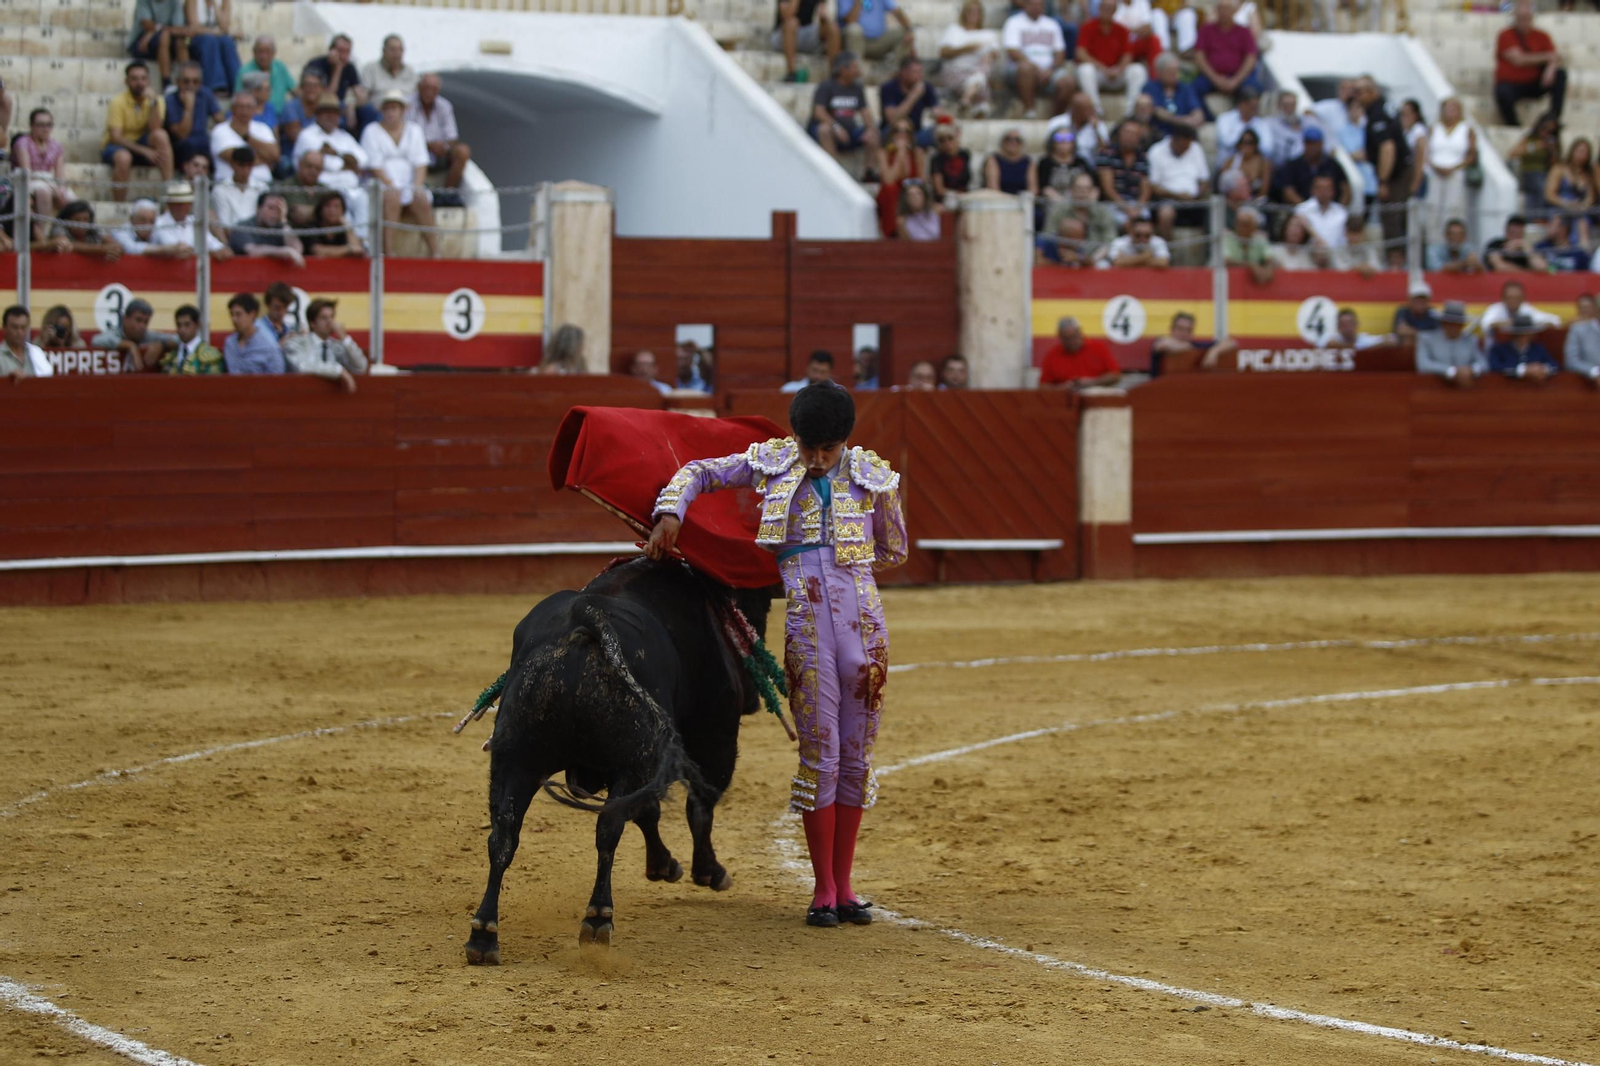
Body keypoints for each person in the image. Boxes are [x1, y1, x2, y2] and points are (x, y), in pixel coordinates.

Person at [645, 384, 907, 929]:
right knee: (821, 750)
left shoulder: (872, 475)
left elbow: (894, 547)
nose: (815, 459)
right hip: (809, 626)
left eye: (827, 450)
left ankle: (847, 885)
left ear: (844, 442)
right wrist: (670, 511)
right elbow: (697, 472)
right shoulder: (771, 463)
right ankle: (824, 889)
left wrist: (842, 569)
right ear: (795, 436)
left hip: (866, 627)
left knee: (856, 754)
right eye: (809, 446)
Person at [362, 89, 440, 258]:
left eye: (394, 108)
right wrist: (390, 184)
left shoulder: (414, 130)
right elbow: (374, 165)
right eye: (387, 108)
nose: (390, 112)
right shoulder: (371, 130)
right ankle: (389, 251)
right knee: (392, 196)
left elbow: (420, 161)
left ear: (402, 110)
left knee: (421, 199)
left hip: (410, 181)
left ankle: (435, 251)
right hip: (382, 183)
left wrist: (417, 186)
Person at [294, 95, 371, 231]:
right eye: (326, 113)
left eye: (334, 113)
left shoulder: (344, 136)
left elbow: (363, 160)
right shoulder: (307, 135)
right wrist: (347, 161)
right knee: (343, 213)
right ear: (318, 115)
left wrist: (335, 154)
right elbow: (326, 164)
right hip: (326, 188)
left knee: (364, 200)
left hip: (351, 188)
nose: (331, 116)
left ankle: (364, 245)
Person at [104, 61, 175, 203]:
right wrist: (144, 151)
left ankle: (169, 191)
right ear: (127, 81)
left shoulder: (156, 100)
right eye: (134, 79)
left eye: (143, 78)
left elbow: (155, 129)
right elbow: (116, 137)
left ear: (148, 81)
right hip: (118, 146)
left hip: (143, 142)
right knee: (124, 158)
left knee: (161, 136)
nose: (140, 83)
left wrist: (154, 102)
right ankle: (119, 205)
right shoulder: (117, 102)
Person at [1358, 76, 1411, 254]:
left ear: (1372, 92)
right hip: (1399, 171)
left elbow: (1388, 148)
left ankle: (1396, 260)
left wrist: (1383, 181)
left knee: (1391, 218)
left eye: (1360, 92)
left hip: (1395, 176)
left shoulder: (1377, 114)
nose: (1356, 96)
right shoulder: (1382, 108)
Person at [1494, 0, 1566, 128]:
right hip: (1511, 85)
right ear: (1515, 18)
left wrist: (1551, 67)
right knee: (1502, 92)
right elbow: (1519, 60)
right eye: (1521, 18)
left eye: (1527, 17)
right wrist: (1547, 57)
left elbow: (1555, 57)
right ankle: (1513, 124)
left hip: (1535, 83)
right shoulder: (1505, 35)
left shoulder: (1542, 36)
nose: (1524, 21)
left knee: (1560, 74)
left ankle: (1554, 118)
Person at [1074, 1, 1144, 119]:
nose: (1107, 11)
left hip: (1117, 72)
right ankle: (1095, 110)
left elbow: (1128, 55)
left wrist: (1118, 69)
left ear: (1115, 10)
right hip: (1098, 72)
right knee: (1085, 70)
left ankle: (1131, 112)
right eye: (1105, 8)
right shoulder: (1087, 27)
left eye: (1111, 8)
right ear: (1099, 8)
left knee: (1138, 70)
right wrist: (1103, 69)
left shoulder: (1122, 29)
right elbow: (1080, 53)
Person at [1004, 0, 1073, 119]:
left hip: (1049, 70)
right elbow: (1013, 52)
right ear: (1025, 5)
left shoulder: (1052, 24)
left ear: (1044, 7)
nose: (1036, 7)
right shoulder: (1013, 22)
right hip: (1020, 68)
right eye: (1032, 3)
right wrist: (1037, 69)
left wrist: (1050, 70)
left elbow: (1060, 53)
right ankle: (1030, 111)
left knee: (1068, 82)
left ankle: (1056, 119)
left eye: (1039, 4)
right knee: (1026, 69)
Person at [12, 108, 74, 239]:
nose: (45, 129)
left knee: (71, 199)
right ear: (32, 126)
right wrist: (53, 187)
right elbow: (26, 171)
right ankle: (41, 234)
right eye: (41, 125)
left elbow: (60, 173)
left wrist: (61, 189)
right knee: (43, 191)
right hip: (28, 180)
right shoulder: (22, 143)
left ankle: (64, 235)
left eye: (48, 125)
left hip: (48, 180)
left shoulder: (56, 145)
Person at [809, 53, 879, 164]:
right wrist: (836, 127)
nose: (857, 71)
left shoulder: (857, 88)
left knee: (874, 132)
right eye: (854, 67)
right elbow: (819, 112)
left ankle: (869, 173)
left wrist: (870, 129)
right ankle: (833, 171)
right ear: (842, 69)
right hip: (831, 130)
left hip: (849, 132)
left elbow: (865, 112)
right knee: (824, 130)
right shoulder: (827, 86)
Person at [284, 298, 367, 391]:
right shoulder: (297, 343)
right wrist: (338, 371)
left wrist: (345, 339)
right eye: (324, 318)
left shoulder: (337, 346)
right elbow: (302, 366)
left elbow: (360, 367)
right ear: (312, 323)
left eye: (331, 317)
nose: (330, 322)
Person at [1191, 0, 1260, 108]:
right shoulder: (1206, 30)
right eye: (1221, 9)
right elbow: (1199, 56)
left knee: (1253, 89)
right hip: (1211, 76)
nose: (1224, 13)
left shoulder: (1243, 32)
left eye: (1227, 10)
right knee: (1192, 89)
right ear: (1216, 11)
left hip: (1238, 76)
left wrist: (1236, 80)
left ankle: (1242, 120)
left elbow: (1251, 57)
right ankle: (1207, 118)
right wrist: (1215, 78)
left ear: (1233, 11)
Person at [304, 34, 378, 135]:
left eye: (347, 52)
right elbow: (327, 96)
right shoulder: (316, 65)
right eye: (340, 51)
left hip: (343, 106)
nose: (344, 56)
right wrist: (338, 68)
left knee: (369, 111)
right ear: (331, 50)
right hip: (323, 107)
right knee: (339, 118)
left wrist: (351, 103)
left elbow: (361, 96)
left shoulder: (349, 67)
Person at [409, 73, 472, 191]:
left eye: (434, 89)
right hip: (415, 153)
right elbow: (404, 136)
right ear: (419, 87)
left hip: (440, 155)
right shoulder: (408, 105)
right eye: (426, 87)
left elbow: (452, 137)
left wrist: (445, 147)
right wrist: (428, 145)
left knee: (463, 151)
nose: (429, 92)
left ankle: (448, 193)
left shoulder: (444, 106)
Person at [937, 0, 1000, 117]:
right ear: (964, 13)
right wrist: (967, 48)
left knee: (985, 65)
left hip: (978, 70)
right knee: (981, 84)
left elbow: (994, 53)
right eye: (970, 11)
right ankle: (977, 106)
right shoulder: (954, 30)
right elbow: (943, 52)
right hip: (955, 71)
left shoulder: (988, 34)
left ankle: (966, 100)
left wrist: (988, 56)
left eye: (977, 12)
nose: (974, 14)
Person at [1426, 97, 1476, 241]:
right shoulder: (1434, 127)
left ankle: (1454, 241)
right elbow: (1426, 152)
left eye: (1454, 108)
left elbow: (1471, 155)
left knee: (1454, 209)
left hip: (1456, 173)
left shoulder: (1466, 128)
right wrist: (1435, 166)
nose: (1450, 112)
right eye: (1447, 108)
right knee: (1433, 209)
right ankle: (1433, 241)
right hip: (1435, 173)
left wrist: (1454, 168)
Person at [1146, 126, 1209, 240]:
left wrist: (1198, 195)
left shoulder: (1195, 148)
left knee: (1215, 207)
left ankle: (1214, 252)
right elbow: (1154, 187)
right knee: (1166, 214)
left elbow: (1204, 179)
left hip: (1194, 200)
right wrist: (1178, 196)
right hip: (1168, 199)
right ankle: (1167, 252)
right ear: (1175, 139)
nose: (1186, 149)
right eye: (1184, 146)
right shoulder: (1156, 151)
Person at [161, 61, 222, 168]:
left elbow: (220, 120)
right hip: (182, 145)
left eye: (195, 82)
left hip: (203, 142)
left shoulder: (205, 94)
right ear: (178, 82)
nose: (191, 85)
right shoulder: (170, 100)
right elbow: (181, 134)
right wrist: (188, 108)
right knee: (190, 145)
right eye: (186, 81)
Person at [1269, 125, 1347, 207]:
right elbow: (1287, 191)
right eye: (1308, 143)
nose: (1311, 147)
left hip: (1331, 212)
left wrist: (1338, 209)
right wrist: (1306, 209)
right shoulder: (1293, 165)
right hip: (1302, 212)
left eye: (1314, 143)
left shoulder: (1332, 164)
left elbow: (1345, 189)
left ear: (1321, 144)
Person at [211, 92, 278, 185]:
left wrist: (246, 137)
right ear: (232, 108)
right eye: (241, 107)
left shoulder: (263, 128)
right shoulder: (220, 130)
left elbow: (275, 155)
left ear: (254, 109)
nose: (245, 111)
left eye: (248, 107)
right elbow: (237, 158)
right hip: (229, 185)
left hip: (263, 184)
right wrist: (265, 158)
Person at [150, 181, 231, 258]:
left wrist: (221, 250)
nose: (182, 207)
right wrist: (210, 252)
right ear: (170, 204)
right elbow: (177, 249)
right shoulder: (159, 223)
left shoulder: (194, 222)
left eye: (186, 203)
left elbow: (213, 243)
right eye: (178, 204)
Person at [1415, 301, 1484, 387]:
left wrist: (1472, 370)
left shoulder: (1470, 340)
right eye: (1450, 323)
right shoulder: (1426, 339)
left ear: (1462, 324)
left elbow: (1483, 363)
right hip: (1434, 388)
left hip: (1465, 389)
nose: (1454, 327)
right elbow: (1423, 364)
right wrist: (1451, 371)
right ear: (1443, 323)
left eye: (1458, 324)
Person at [180, 0, 240, 97]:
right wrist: (211, 31)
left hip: (217, 37)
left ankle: (237, 85)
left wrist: (215, 5)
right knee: (210, 41)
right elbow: (193, 27)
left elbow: (224, 27)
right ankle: (216, 86)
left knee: (227, 42)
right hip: (197, 38)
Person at [1097, 118, 1151, 227]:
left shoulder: (1143, 157)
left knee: (1144, 222)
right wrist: (1127, 209)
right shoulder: (1107, 154)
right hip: (1113, 204)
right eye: (1126, 132)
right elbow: (1108, 189)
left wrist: (1137, 208)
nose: (1128, 137)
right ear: (1119, 134)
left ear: (1139, 137)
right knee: (1125, 223)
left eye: (1133, 134)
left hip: (1136, 204)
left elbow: (1145, 189)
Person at [879, 57, 944, 147]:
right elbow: (893, 119)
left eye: (921, 72)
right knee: (898, 132)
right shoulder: (888, 88)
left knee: (943, 131)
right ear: (903, 72)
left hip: (916, 134)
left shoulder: (926, 87)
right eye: (915, 72)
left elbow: (937, 109)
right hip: (892, 133)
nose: (920, 76)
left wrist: (937, 113)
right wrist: (913, 96)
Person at [1039, 316, 1120, 388]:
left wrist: (1092, 382)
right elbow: (1043, 386)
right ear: (1060, 338)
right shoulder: (1052, 355)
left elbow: (1115, 375)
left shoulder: (1098, 347)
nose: (1071, 342)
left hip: (1096, 397)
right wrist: (1061, 388)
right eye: (1067, 339)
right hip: (1065, 399)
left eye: (1074, 337)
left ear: (1080, 333)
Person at [101, 296, 178, 370]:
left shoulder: (147, 336)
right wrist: (130, 345)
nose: (142, 326)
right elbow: (97, 340)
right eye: (138, 320)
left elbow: (179, 339)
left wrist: (162, 344)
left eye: (146, 322)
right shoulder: (115, 333)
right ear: (125, 319)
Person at [876, 120, 925, 235]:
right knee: (891, 189)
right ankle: (893, 233)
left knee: (914, 193)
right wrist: (900, 154)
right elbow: (888, 179)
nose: (902, 134)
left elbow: (921, 180)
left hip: (910, 191)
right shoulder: (883, 153)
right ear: (892, 134)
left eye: (906, 131)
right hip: (891, 193)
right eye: (897, 130)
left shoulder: (918, 153)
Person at [773, 0, 841, 83]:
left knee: (832, 27)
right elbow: (787, 15)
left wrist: (824, 17)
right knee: (792, 23)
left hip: (805, 33)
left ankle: (835, 75)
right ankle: (791, 73)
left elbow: (822, 14)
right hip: (782, 35)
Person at [1150, 310, 1237, 374]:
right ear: (1172, 329)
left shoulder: (1195, 345)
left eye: (1188, 330)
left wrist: (1214, 352)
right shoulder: (1162, 341)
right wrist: (1188, 348)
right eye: (1180, 328)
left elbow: (1231, 342)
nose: (1184, 333)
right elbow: (1163, 345)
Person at [1544, 139, 1594, 246]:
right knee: (1557, 223)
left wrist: (1583, 206)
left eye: (1585, 152)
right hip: (1559, 207)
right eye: (1580, 151)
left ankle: (1581, 254)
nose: (1582, 155)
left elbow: (1590, 197)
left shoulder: (1587, 174)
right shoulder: (1559, 169)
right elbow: (1549, 194)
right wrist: (1566, 203)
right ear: (1573, 151)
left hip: (1579, 211)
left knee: (1583, 223)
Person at [1509, 113, 1561, 216]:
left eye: (1551, 131)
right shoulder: (1530, 139)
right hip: (1528, 172)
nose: (1547, 133)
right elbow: (1513, 153)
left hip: (1544, 173)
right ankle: (1539, 215)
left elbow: (1554, 166)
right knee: (1540, 184)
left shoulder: (1553, 143)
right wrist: (1536, 146)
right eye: (1545, 128)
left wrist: (1553, 152)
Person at [223, 292, 286, 374]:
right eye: (232, 314)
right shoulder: (230, 343)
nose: (234, 319)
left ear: (252, 314)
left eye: (238, 314)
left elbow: (277, 379)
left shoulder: (269, 345)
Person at [1142, 54, 1202, 140]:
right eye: (1171, 71)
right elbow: (1159, 113)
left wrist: (1192, 121)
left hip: (1184, 135)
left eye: (1177, 71)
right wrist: (1183, 122)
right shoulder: (1150, 87)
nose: (1175, 75)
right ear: (1159, 72)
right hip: (1159, 134)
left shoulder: (1185, 88)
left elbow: (1198, 113)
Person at [1486, 313, 1558, 382]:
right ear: (1513, 334)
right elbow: (1494, 367)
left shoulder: (1538, 348)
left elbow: (1554, 365)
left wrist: (1542, 369)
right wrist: (1522, 370)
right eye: (1520, 334)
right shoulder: (1500, 349)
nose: (1523, 336)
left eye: (1526, 333)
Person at [1479, 279, 1561, 337]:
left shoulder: (1526, 309)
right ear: (1503, 298)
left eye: (1517, 298)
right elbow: (1486, 324)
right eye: (1510, 298)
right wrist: (1515, 323)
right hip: (1497, 352)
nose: (1513, 301)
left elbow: (1555, 320)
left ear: (1523, 299)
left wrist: (1531, 322)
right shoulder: (1495, 309)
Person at [127, 0, 182, 87]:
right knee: (164, 37)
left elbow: (178, 28)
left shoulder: (175, 2)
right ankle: (166, 82)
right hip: (141, 44)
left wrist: (155, 31)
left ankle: (185, 79)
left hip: (165, 40)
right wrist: (159, 31)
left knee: (182, 41)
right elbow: (146, 23)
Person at [1046, 91, 1109, 164]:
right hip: (1061, 164)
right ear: (1075, 109)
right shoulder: (1056, 122)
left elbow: (1105, 150)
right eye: (1087, 109)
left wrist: (1096, 130)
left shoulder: (1098, 125)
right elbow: (1049, 147)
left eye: (1091, 108)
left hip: (1090, 167)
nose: (1092, 111)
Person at [234, 200, 305, 265]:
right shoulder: (243, 226)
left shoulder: (281, 226)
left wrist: (283, 221)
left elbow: (297, 250)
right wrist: (285, 251)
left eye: (278, 209)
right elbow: (253, 251)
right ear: (259, 208)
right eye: (271, 208)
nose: (275, 212)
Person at [211, 144, 266, 229]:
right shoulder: (220, 189)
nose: (245, 170)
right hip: (232, 236)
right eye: (241, 165)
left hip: (257, 236)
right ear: (232, 164)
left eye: (249, 165)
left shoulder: (262, 188)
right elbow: (225, 224)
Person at [300, 189, 366, 258]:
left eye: (336, 206)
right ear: (320, 209)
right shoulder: (311, 228)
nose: (332, 210)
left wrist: (347, 227)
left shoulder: (344, 229)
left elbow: (358, 250)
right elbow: (318, 251)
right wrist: (348, 249)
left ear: (343, 211)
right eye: (328, 206)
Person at [839, 0, 913, 61]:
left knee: (903, 33)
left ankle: (897, 73)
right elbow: (850, 21)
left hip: (878, 40)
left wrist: (909, 30)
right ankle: (856, 73)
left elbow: (897, 12)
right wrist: (858, 2)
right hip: (858, 42)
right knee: (853, 30)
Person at [162, 303, 226, 374]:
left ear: (197, 324)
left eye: (187, 325)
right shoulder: (172, 356)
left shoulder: (210, 356)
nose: (182, 329)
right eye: (179, 325)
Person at [278, 69, 326, 162]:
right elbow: (296, 137)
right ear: (301, 88)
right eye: (308, 85)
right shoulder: (291, 107)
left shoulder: (325, 108)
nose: (311, 89)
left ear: (322, 89)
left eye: (315, 86)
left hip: (320, 155)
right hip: (292, 155)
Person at [237, 35, 295, 108]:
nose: (264, 56)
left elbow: (295, 90)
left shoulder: (280, 67)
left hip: (281, 116)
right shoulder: (245, 72)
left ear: (274, 53)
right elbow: (238, 99)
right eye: (260, 52)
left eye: (268, 51)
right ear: (254, 52)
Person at [1292, 173, 1347, 250]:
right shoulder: (1301, 210)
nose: (1323, 192)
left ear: (1333, 191)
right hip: (1308, 256)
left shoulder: (1341, 212)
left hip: (1336, 256)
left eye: (1327, 188)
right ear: (1313, 190)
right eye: (1319, 188)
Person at [1, 306, 55, 380]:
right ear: (5, 328)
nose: (19, 332)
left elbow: (46, 380)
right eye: (14, 327)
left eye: (23, 327)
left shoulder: (36, 352)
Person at [1223, 205, 1273, 285]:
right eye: (1240, 224)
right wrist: (1251, 265)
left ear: (1254, 227)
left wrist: (1268, 269)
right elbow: (1225, 261)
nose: (1241, 228)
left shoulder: (1260, 238)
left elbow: (1269, 258)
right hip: (1226, 283)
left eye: (1246, 225)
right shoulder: (1226, 238)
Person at [1101, 212, 1170, 268]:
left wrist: (1127, 261)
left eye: (1147, 236)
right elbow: (1116, 263)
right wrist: (1145, 256)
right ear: (1130, 232)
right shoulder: (1119, 242)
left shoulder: (1158, 242)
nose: (1142, 239)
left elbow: (1163, 263)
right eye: (1138, 235)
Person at [1219, 128, 1270, 202]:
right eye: (1243, 142)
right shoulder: (1230, 162)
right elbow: (1223, 185)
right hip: (1233, 201)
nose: (1246, 145)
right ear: (1239, 144)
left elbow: (1264, 191)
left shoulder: (1263, 164)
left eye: (1250, 142)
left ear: (1255, 145)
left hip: (1255, 202)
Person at [362, 34, 418, 100]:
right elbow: (363, 96)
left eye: (400, 50)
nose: (397, 54)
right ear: (384, 51)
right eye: (393, 50)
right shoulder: (370, 69)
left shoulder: (410, 72)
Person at [929, 124, 972, 205]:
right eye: (942, 140)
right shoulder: (936, 159)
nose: (947, 143)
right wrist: (956, 195)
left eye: (950, 138)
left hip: (965, 196)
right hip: (946, 199)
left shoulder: (964, 155)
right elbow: (939, 189)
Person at [985, 128, 1036, 196]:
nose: (1012, 142)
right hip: (999, 200)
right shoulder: (993, 160)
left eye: (1017, 139)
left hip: (1023, 201)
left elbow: (1033, 188)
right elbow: (993, 188)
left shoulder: (1028, 162)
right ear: (1002, 142)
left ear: (1021, 143)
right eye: (1008, 139)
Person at [1562, 294, 1600, 386]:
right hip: (1588, 385)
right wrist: (1594, 371)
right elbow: (1571, 361)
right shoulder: (1578, 330)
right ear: (1596, 310)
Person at [1262, 90, 1305, 169]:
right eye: (1286, 105)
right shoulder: (1269, 124)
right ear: (1278, 106)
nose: (1289, 109)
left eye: (1292, 105)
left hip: (1301, 166)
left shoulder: (1304, 122)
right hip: (1279, 166)